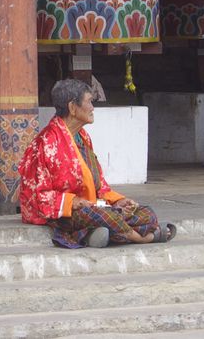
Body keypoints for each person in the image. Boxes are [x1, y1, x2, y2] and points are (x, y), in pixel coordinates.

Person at [19, 78, 176, 248]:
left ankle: (90, 234)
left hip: (94, 208)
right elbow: (35, 195)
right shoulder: (46, 143)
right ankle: (143, 238)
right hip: (66, 214)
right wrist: (73, 201)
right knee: (103, 217)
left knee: (147, 213)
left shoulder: (83, 137)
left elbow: (99, 185)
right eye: (89, 102)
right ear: (73, 107)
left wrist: (117, 201)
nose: (93, 108)